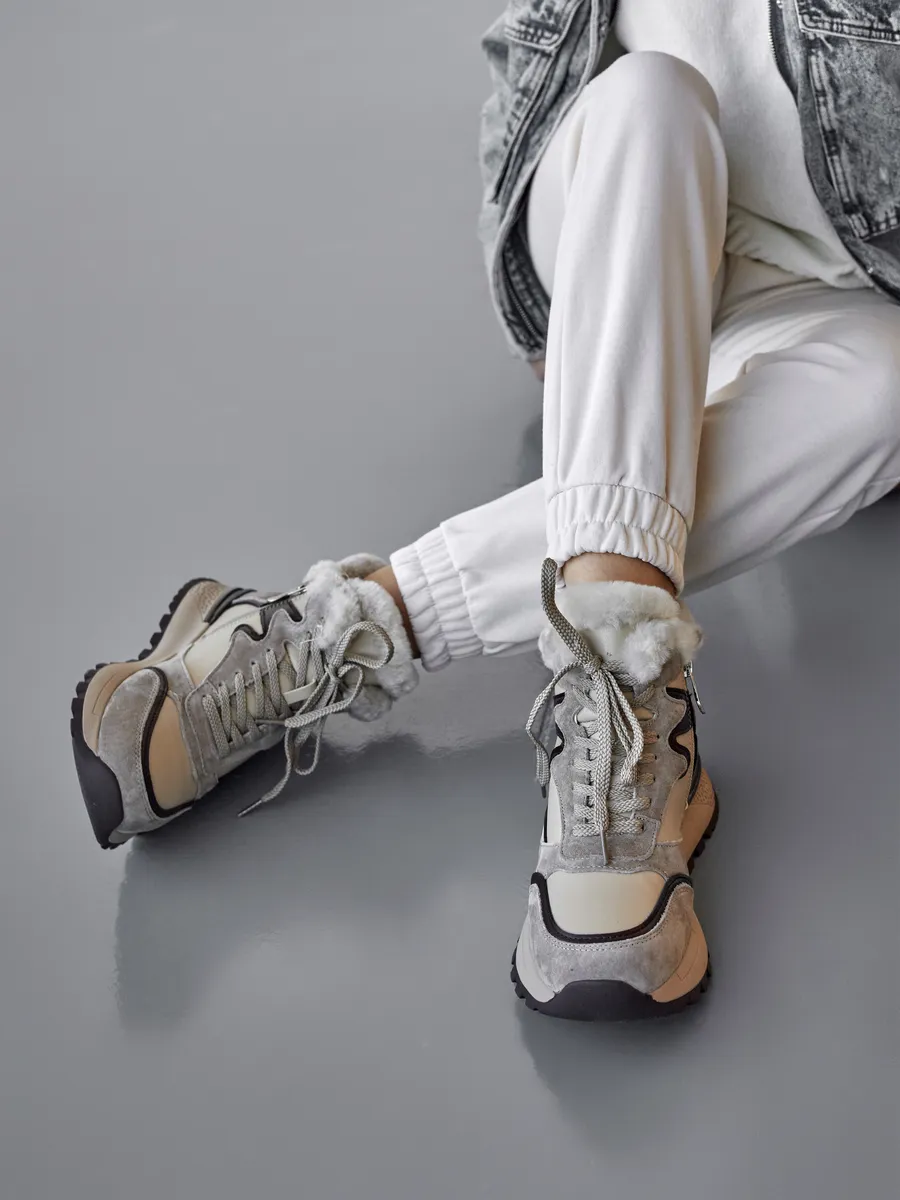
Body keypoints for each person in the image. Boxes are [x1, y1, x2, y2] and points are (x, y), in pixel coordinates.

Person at [70, 2, 900, 1020]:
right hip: (617, 210)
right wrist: (541, 311)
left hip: (827, 291)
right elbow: (535, 37)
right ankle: (626, 723)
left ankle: (340, 631)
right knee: (651, 96)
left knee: (887, 394)